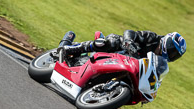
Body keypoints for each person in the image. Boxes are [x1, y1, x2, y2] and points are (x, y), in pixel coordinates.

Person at [56, 30, 186, 62]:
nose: (171, 54)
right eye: (172, 50)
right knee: (112, 42)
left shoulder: (157, 61)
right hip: (120, 48)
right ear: (166, 42)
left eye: (175, 55)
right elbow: (130, 32)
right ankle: (71, 48)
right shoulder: (153, 38)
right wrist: (129, 42)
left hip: (125, 64)